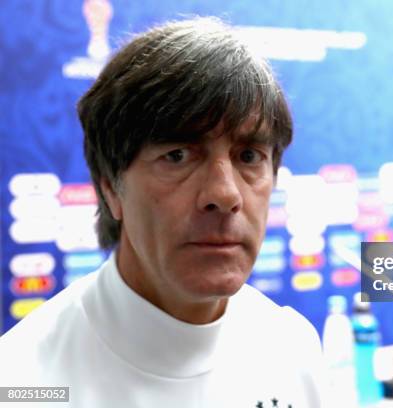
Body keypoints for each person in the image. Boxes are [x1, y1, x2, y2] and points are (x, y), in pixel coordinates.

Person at [0, 16, 327, 407]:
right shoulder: (21, 383)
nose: (224, 194)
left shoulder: (292, 347)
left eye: (248, 156)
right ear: (110, 186)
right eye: (178, 155)